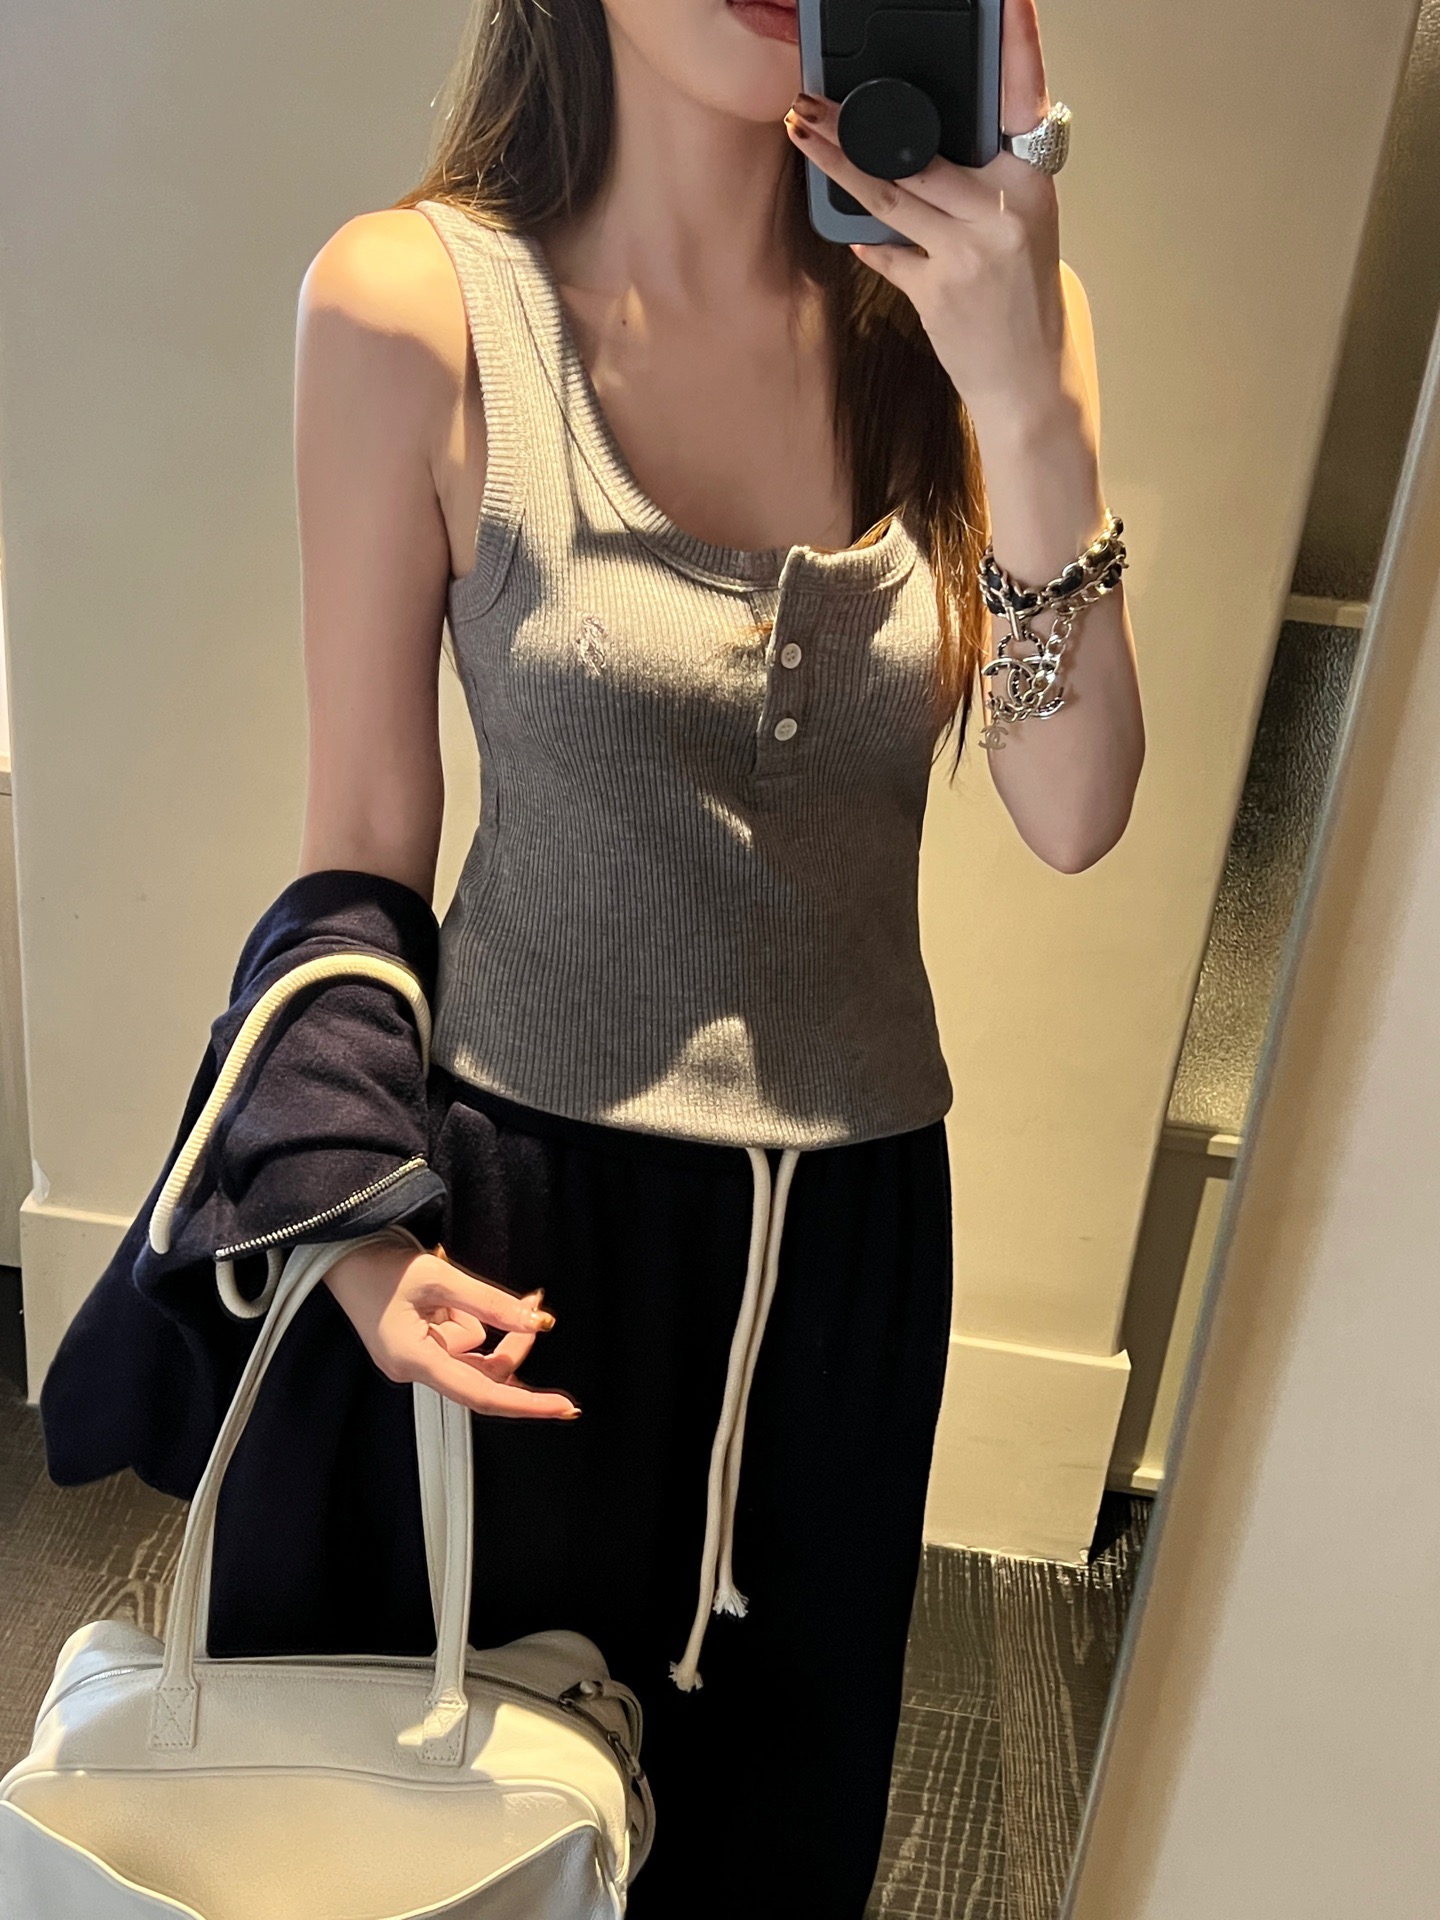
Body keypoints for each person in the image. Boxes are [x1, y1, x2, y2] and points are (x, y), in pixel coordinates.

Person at [173, 0, 1147, 1911]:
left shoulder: (990, 316)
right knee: (468, 1836)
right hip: (515, 1236)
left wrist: (1024, 398)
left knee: (779, 1829)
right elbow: (365, 826)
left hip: (854, 1249)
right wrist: (343, 1220)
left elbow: (1075, 803)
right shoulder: (413, 307)